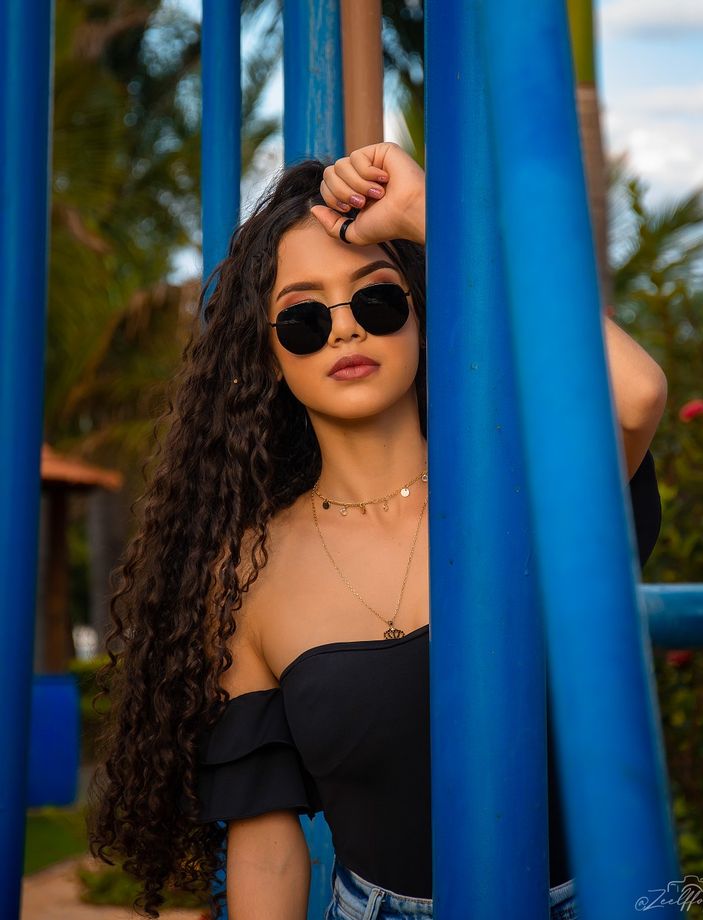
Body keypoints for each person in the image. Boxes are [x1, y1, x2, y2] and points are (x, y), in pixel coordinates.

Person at [87, 142, 667, 920]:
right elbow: (265, 846)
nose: (345, 331)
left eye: (378, 299)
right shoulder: (243, 575)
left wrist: (434, 217)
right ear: (266, 355)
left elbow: (635, 398)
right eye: (300, 316)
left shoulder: (523, 493)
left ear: (422, 317)